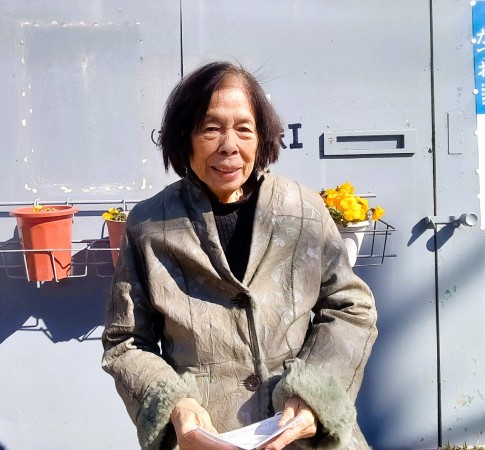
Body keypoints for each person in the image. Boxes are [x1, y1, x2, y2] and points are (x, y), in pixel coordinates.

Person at [102, 61, 378, 450]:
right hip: (207, 438)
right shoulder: (150, 225)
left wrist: (314, 395)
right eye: (210, 128)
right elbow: (127, 340)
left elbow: (351, 307)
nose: (229, 145)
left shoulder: (302, 211)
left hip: (301, 436)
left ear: (261, 138)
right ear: (184, 137)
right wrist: (176, 405)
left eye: (244, 129)